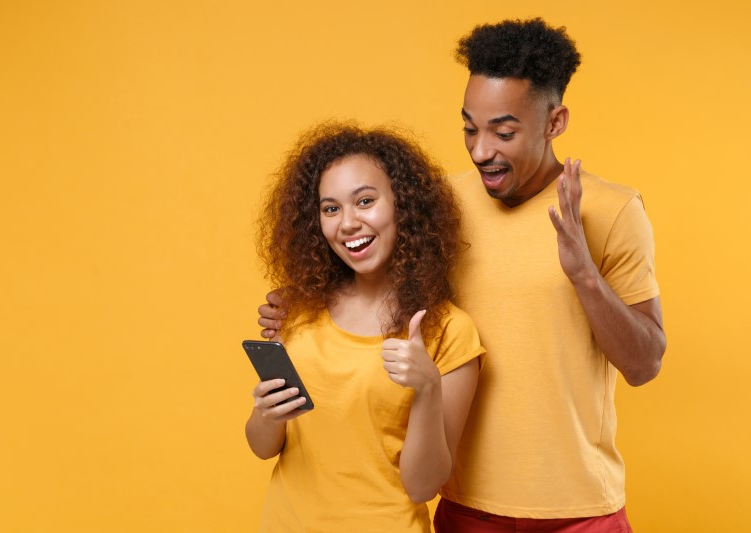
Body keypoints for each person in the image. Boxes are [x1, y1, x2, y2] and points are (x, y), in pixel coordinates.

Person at [258, 19, 666, 532]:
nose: (480, 150)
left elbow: (645, 363)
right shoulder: (441, 206)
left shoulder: (612, 210)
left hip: (579, 509)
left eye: (504, 131)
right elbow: (370, 262)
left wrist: (585, 276)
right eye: (470, 128)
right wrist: (300, 300)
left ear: (555, 121)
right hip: (464, 505)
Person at [245, 122, 484, 532]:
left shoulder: (449, 331)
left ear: (403, 206)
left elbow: (423, 485)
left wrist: (427, 388)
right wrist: (266, 414)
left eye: (365, 201)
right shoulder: (298, 313)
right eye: (331, 208)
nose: (348, 222)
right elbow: (263, 447)